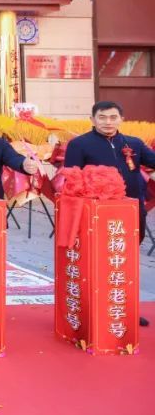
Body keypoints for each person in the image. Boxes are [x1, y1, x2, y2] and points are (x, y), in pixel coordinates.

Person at [63, 100, 155, 327]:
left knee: (125, 261)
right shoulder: (79, 144)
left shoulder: (134, 143)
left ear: (121, 119)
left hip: (131, 211)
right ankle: (94, 309)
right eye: (102, 117)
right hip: (97, 214)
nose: (108, 122)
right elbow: (71, 179)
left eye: (113, 117)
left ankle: (124, 308)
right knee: (98, 261)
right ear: (92, 120)